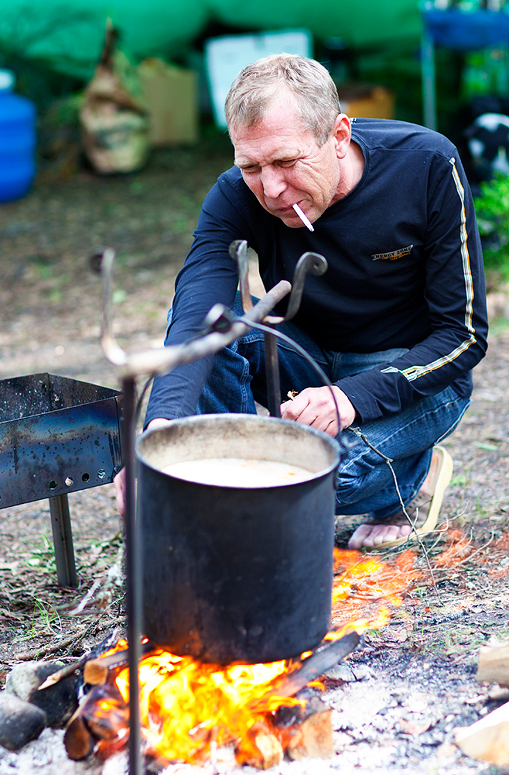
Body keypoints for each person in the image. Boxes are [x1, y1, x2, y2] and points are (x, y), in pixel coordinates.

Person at [114, 53, 488, 550]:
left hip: (411, 373)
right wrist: (163, 432)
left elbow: (462, 335)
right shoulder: (235, 195)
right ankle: (230, 476)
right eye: (250, 166)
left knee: (323, 480)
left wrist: (351, 399)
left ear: (337, 136)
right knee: (223, 326)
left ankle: (406, 468)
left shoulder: (425, 165)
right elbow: (197, 313)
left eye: (287, 162)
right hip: (306, 358)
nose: (270, 188)